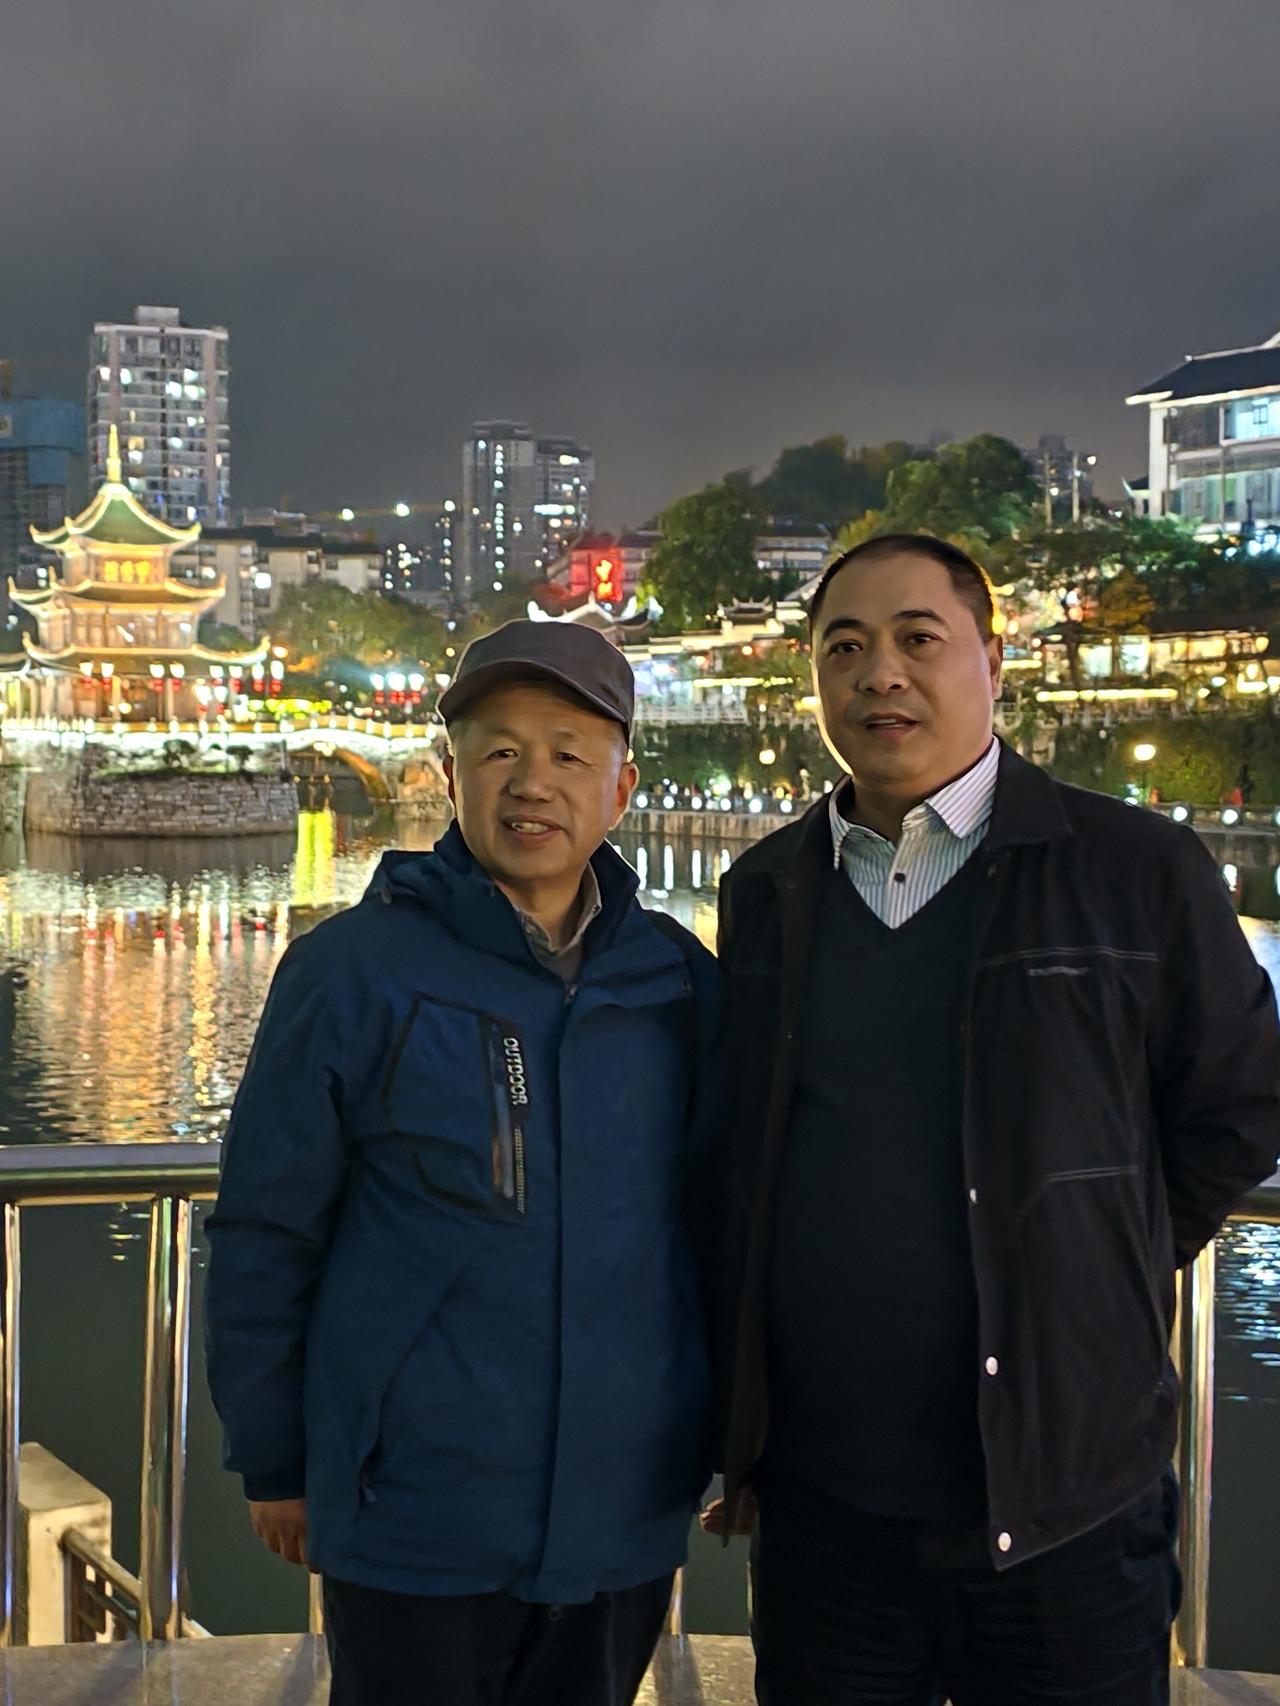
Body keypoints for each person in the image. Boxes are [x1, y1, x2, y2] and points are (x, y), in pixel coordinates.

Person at [707, 534, 1280, 1705]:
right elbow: (743, 1149)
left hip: (1066, 1498)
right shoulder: (765, 890)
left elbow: (1237, 1103)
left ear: (991, 660)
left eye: (917, 638)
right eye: (843, 647)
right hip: (824, 1510)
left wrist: (1097, 1253)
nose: (879, 673)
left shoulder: (1133, 866)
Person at [205, 620, 718, 1706]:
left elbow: (723, 1221)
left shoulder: (675, 980)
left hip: (622, 1501)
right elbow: (265, 1227)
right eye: (499, 752)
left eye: (568, 754)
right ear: (450, 774)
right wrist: (275, 1457)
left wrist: (732, 1438)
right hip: (412, 1505)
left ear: (621, 789)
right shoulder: (350, 971)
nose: (532, 782)